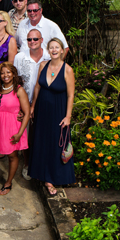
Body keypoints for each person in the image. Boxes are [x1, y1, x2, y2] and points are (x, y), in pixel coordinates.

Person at [29, 38, 76, 195]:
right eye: (51, 47)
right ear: (48, 50)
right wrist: (33, 106)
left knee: (56, 143)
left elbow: (70, 96)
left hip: (58, 111)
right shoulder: (43, 65)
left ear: (62, 50)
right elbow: (37, 86)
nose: (54, 50)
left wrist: (68, 116)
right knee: (41, 141)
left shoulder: (68, 70)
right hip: (42, 110)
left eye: (57, 47)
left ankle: (52, 179)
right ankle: (41, 175)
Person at [0, 62, 30, 196]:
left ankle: (8, 183)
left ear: (14, 74)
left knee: (12, 156)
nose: (5, 75)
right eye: (2, 73)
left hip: (12, 128)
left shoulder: (19, 90)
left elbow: (26, 113)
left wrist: (20, 133)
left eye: (8, 72)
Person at [14, 29, 50, 180]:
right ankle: (27, 164)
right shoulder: (20, 57)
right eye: (29, 40)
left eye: (35, 39)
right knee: (26, 136)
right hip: (25, 101)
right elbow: (15, 80)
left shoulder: (50, 56)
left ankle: (42, 165)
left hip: (45, 102)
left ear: (42, 40)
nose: (32, 42)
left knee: (41, 135)